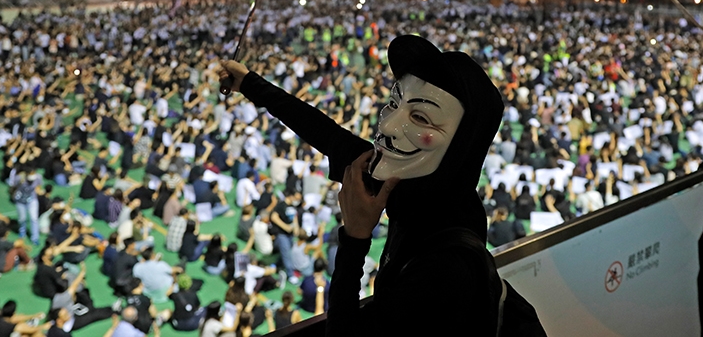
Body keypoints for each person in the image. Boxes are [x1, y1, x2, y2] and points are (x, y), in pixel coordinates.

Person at [219, 35, 520, 335]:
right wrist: (248, 84)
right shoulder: (416, 185)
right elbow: (327, 134)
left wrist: (355, 237)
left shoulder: (446, 271)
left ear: (461, 144)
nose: (387, 125)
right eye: (394, 102)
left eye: (418, 116)